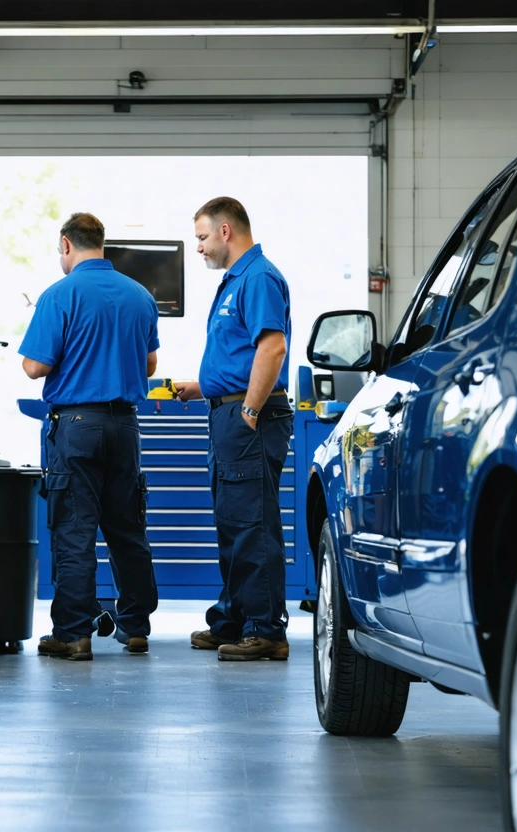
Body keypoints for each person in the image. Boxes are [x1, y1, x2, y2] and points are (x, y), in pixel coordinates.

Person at [20, 212, 160, 661]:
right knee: (127, 528)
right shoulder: (140, 295)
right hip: (125, 426)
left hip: (77, 427)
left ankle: (74, 634)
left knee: (74, 531)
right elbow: (150, 364)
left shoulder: (59, 295)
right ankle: (136, 626)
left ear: (66, 245)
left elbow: (34, 366)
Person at [174, 197, 294, 662]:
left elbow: (272, 349)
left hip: (251, 419)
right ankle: (233, 619)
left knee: (252, 524)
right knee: (233, 521)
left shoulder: (258, 277)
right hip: (227, 414)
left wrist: (247, 410)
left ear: (225, 232)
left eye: (202, 237)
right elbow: (239, 359)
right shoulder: (236, 281)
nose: (199, 248)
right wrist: (203, 386)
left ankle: (266, 630)